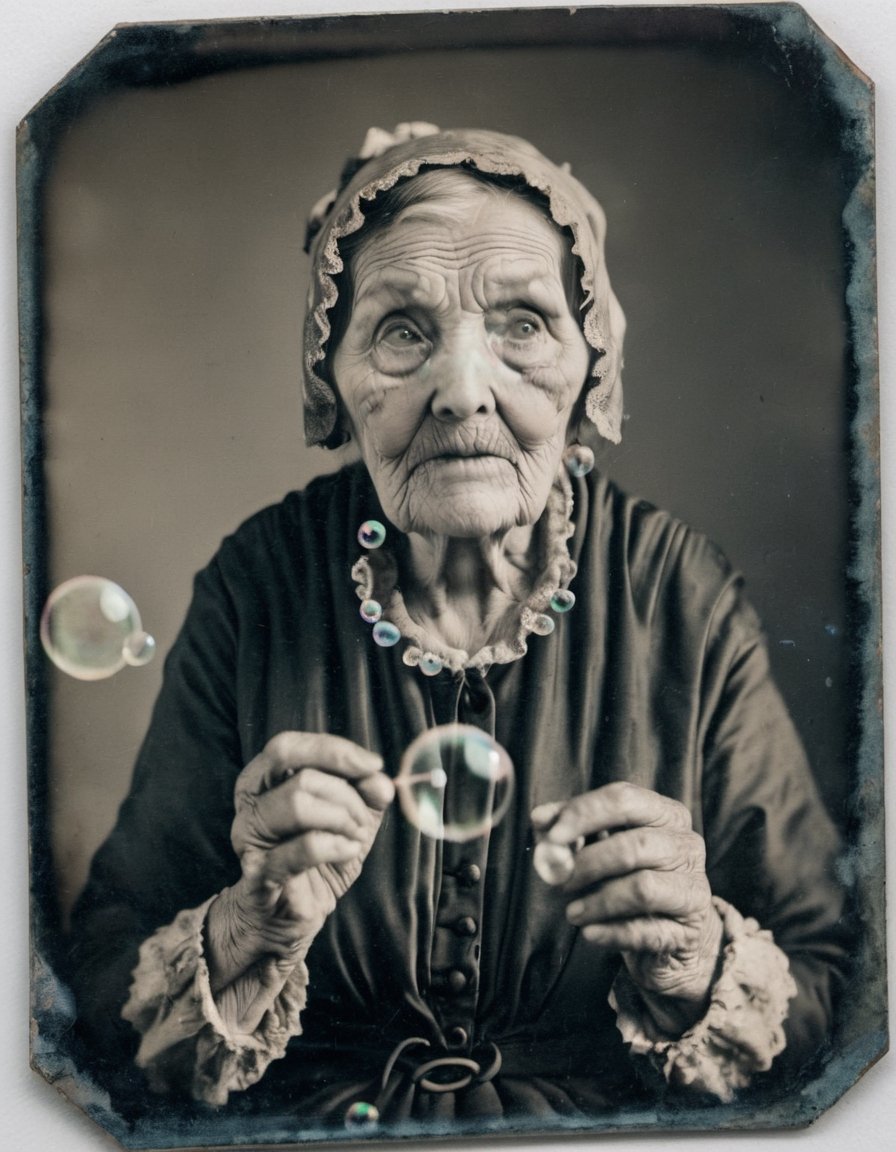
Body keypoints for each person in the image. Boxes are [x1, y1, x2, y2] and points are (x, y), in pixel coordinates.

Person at [68, 125, 848, 1130]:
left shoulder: (675, 589)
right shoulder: (255, 585)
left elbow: (844, 1001)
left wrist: (694, 953)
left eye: (521, 322)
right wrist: (245, 927)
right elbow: (88, 1005)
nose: (462, 391)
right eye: (400, 330)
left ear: (587, 365)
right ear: (331, 376)